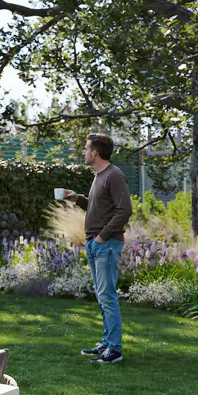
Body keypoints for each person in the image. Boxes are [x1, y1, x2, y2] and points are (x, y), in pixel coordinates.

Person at [60, 133, 132, 363]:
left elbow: (124, 210)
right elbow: (98, 208)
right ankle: (107, 343)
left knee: (108, 296)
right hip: (96, 243)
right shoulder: (99, 176)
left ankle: (115, 350)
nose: (83, 152)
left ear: (95, 153)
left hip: (106, 244)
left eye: (85, 148)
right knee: (102, 296)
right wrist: (77, 198)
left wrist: (102, 237)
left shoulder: (114, 175)